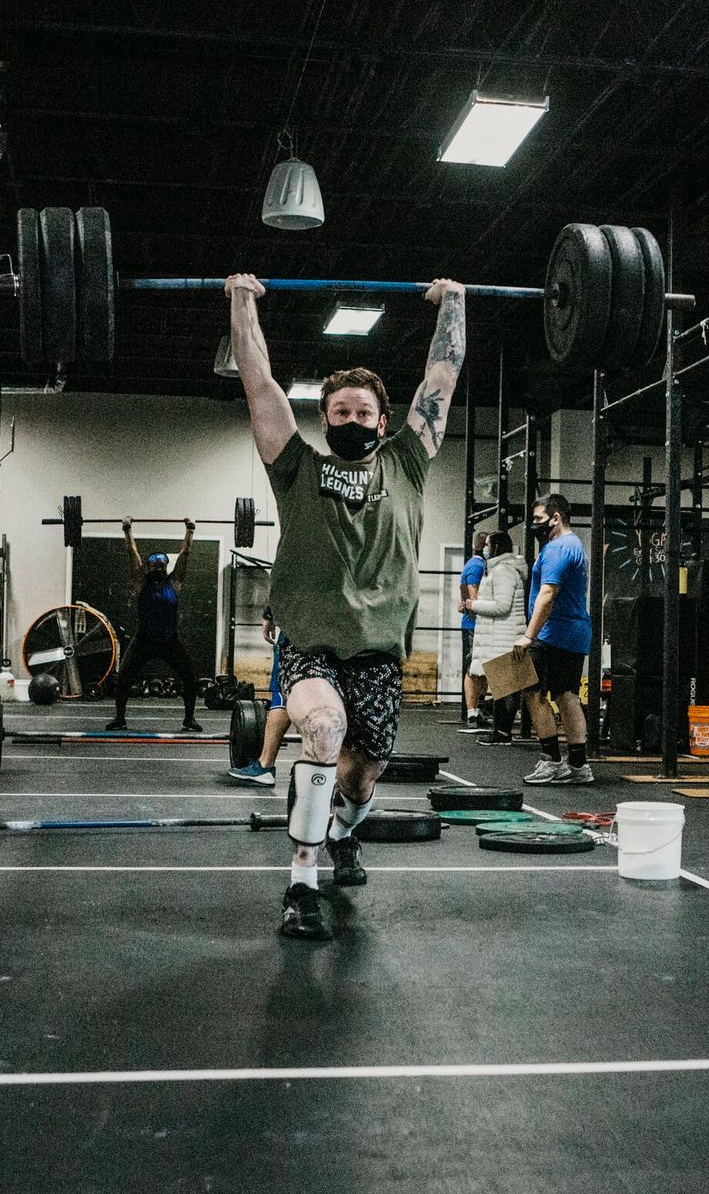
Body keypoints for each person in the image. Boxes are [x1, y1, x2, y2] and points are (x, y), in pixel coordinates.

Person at [229, 272, 463, 940]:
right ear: (324, 419)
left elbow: (440, 377)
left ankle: (341, 833)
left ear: (383, 422)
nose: (353, 421)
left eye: (364, 414)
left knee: (361, 779)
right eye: (341, 413)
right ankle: (300, 884)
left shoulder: (408, 465)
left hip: (380, 657)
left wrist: (455, 304)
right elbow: (259, 383)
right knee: (324, 731)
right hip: (310, 647)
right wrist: (242, 302)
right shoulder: (295, 466)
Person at [517, 494, 594, 785]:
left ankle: (552, 760)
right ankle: (578, 766)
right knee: (566, 694)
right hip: (570, 632)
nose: (535, 525)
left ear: (556, 518)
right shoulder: (571, 545)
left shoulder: (559, 548)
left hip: (554, 634)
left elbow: (547, 595)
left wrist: (528, 636)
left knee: (531, 691)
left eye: (538, 519)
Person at [106, 517, 203, 733]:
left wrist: (190, 530)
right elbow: (132, 551)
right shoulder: (141, 583)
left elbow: (185, 553)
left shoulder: (175, 582)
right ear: (148, 567)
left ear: (166, 567)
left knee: (189, 677)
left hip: (170, 641)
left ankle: (189, 720)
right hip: (144, 640)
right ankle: (120, 719)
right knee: (123, 678)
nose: (158, 567)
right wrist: (127, 528)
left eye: (161, 564)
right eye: (154, 564)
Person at [466, 530, 528, 747]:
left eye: (488, 544)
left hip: (505, 635)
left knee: (506, 688)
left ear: (496, 547)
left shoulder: (503, 571)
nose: (485, 547)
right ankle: (501, 732)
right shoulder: (499, 569)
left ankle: (502, 733)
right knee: (503, 687)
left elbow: (502, 605)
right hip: (502, 634)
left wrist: (473, 605)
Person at [228, 606, 287, 788]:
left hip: (301, 631)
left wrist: (268, 615)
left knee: (282, 697)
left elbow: (282, 582)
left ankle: (265, 766)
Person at [458, 530, 490, 731]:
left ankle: (479, 710)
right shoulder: (477, 565)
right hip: (473, 625)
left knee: (483, 668)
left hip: (478, 624)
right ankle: (472, 713)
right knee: (473, 668)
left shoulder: (475, 564)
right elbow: (472, 597)